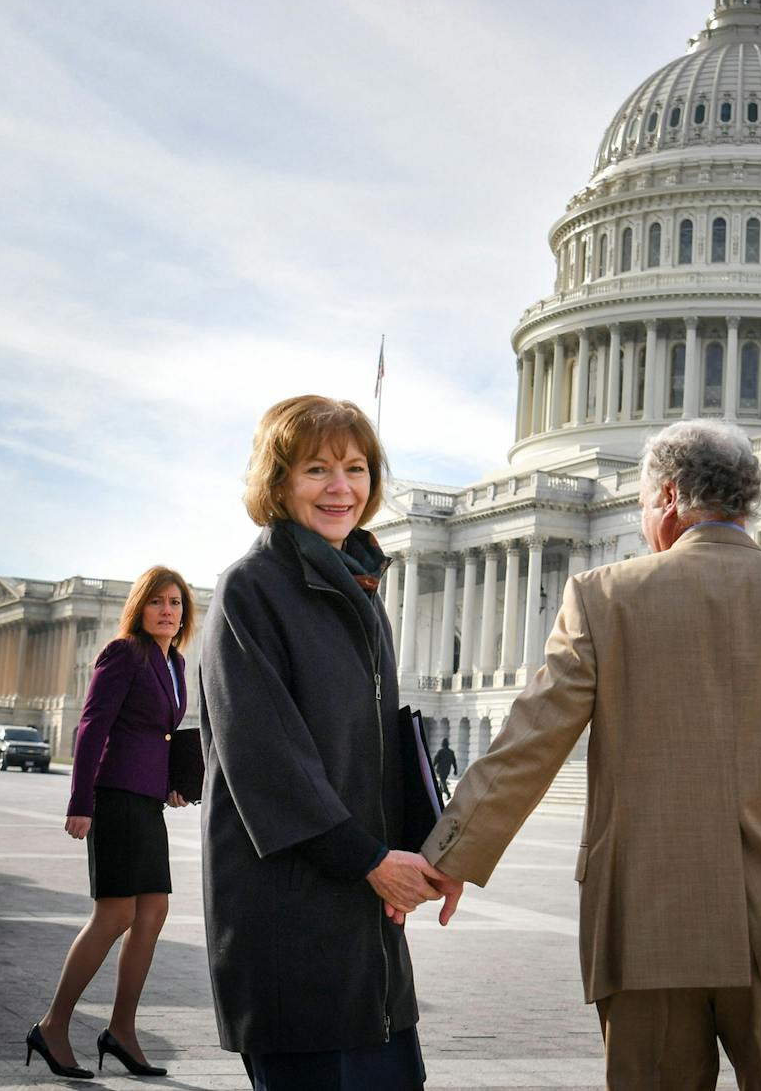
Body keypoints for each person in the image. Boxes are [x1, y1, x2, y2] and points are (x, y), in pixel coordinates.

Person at [420, 419, 761, 1090]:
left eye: (644, 502)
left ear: (669, 496)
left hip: (648, 929)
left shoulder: (603, 597)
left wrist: (449, 855)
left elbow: (529, 742)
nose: (646, 517)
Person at [199, 395, 448, 1090]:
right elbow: (266, 761)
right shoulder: (251, 591)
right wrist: (370, 858)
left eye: (356, 468)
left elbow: (382, 742)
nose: (342, 488)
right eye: (317, 469)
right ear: (277, 482)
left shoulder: (362, 591)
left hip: (368, 929)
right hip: (292, 919)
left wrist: (433, 852)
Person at [28, 567, 196, 1081]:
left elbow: (157, 733)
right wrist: (80, 801)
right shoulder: (125, 652)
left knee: (153, 913)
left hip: (148, 802)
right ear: (140, 608)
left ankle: (122, 1031)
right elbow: (92, 725)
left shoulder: (176, 663)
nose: (168, 610)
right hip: (114, 799)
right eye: (157, 602)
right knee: (115, 914)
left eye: (176, 602)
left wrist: (172, 780)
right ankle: (53, 1026)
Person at [431, 738, 457, 803]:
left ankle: (447, 793)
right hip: (447, 770)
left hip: (440, 769)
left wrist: (432, 767)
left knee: (442, 781)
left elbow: (436, 760)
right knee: (442, 781)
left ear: (442, 744)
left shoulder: (441, 751)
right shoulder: (451, 752)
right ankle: (439, 794)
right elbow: (454, 762)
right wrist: (455, 770)